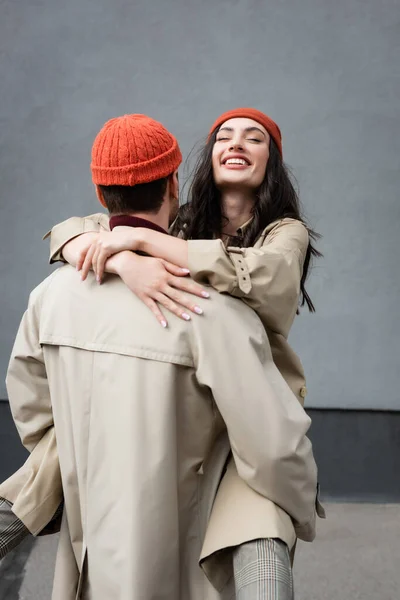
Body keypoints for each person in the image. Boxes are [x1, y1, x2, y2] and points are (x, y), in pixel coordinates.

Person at [1, 114, 318, 600]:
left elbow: (262, 275)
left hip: (245, 420)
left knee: (262, 537)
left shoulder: (284, 233)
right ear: (177, 178)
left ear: (272, 162)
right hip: (205, 407)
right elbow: (84, 227)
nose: (236, 144)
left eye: (254, 138)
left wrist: (144, 241)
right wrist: (122, 259)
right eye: (224, 137)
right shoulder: (187, 222)